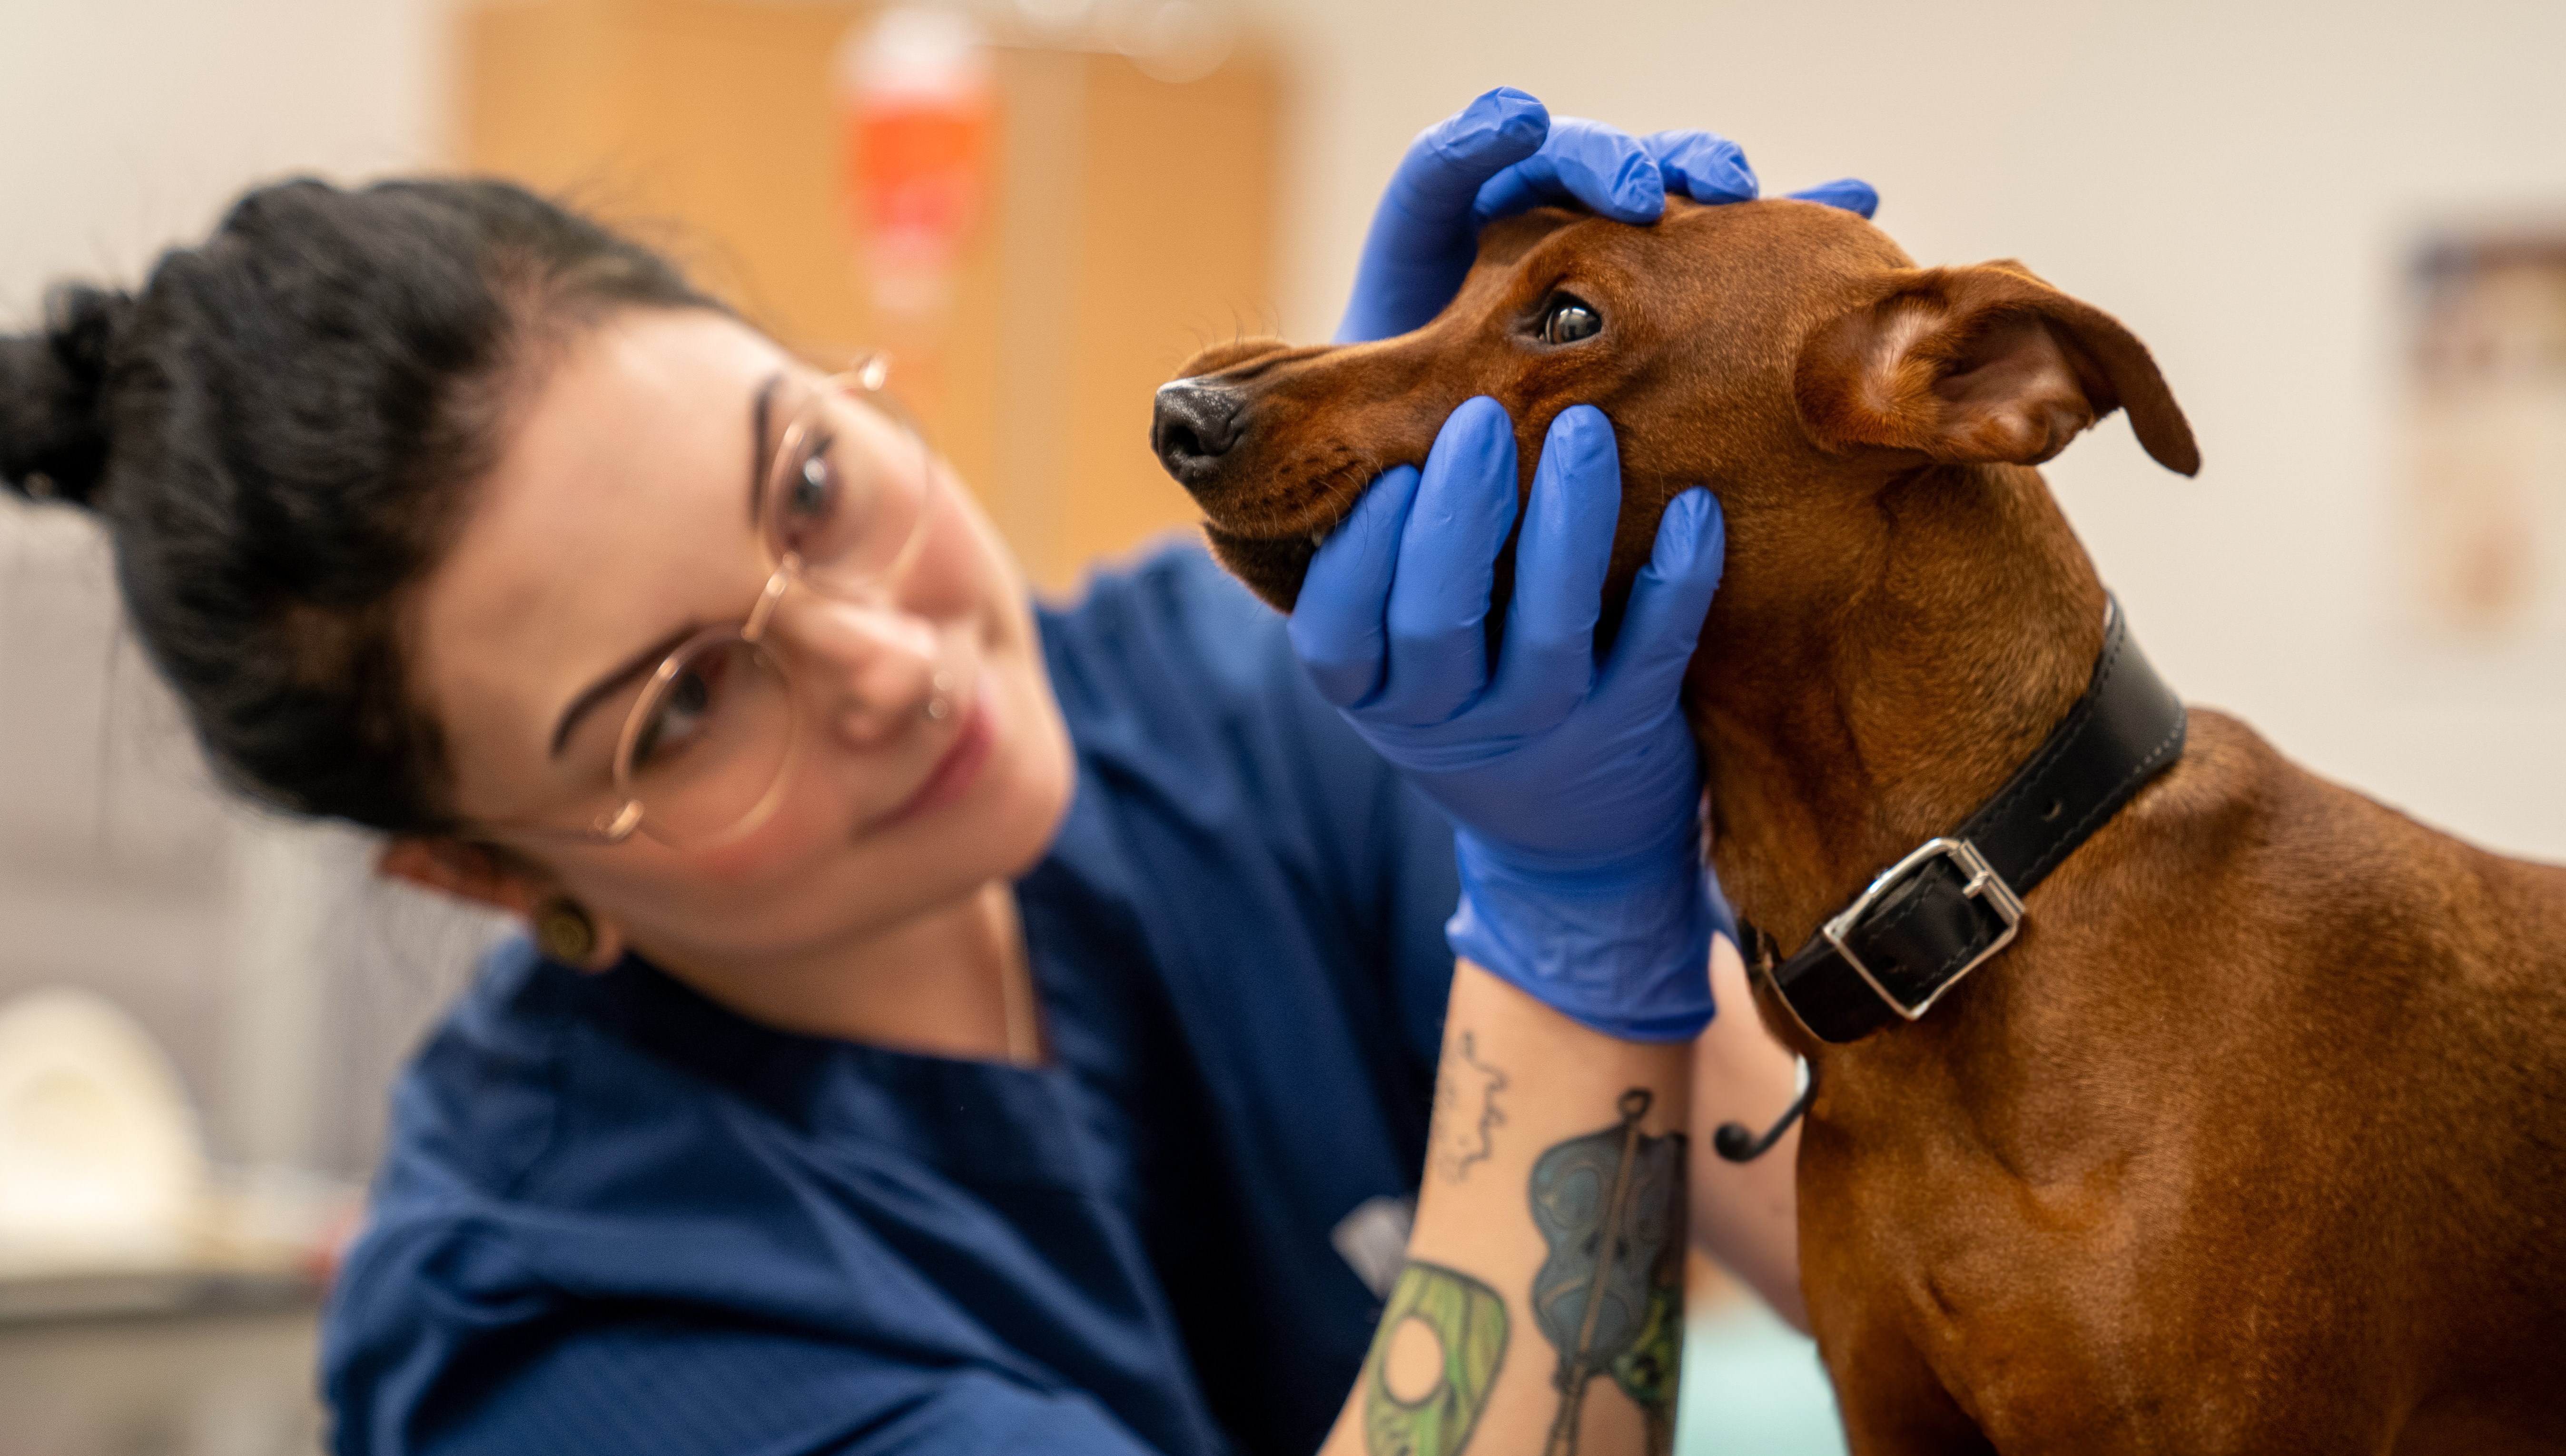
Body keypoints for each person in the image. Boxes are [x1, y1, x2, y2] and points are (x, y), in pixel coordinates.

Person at [0, 88, 1851, 1455]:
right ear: (492, 877)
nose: (890, 663)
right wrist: (1560, 923)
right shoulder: (569, 1333)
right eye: (681, 711)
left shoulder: (1236, 713)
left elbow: (1904, 1276)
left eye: (811, 486)